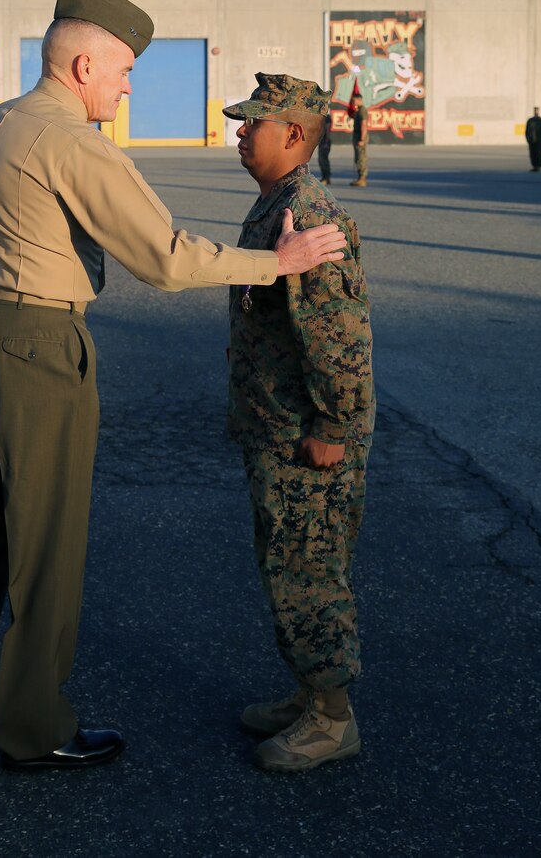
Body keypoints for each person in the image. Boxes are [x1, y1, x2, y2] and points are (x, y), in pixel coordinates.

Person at [0, 0, 349, 773]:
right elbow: (165, 258)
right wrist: (281, 260)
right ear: (84, 64)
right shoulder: (74, 142)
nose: (129, 86)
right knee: (47, 542)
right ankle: (34, 729)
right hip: (36, 339)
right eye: (125, 70)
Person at [224, 73, 374, 772]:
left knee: (310, 569)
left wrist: (333, 428)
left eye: (253, 122)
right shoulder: (275, 203)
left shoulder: (309, 214)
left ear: (292, 134)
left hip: (305, 434)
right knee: (285, 563)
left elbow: (339, 341)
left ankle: (331, 718)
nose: (239, 131)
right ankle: (309, 689)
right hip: (275, 424)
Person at [350, 96, 368, 187]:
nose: (353, 102)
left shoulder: (362, 111)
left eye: (354, 100)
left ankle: (362, 178)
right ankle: (360, 177)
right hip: (357, 135)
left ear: (359, 100)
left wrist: (362, 139)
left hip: (360, 136)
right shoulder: (358, 110)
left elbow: (364, 125)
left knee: (361, 157)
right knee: (358, 157)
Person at [524, 107, 541, 172]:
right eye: (535, 111)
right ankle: (534, 166)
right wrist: (528, 139)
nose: (536, 112)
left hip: (539, 140)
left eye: (537, 111)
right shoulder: (530, 120)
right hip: (531, 140)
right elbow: (526, 131)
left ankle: (538, 166)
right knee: (532, 154)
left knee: (538, 154)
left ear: (538, 111)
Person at [317, 111, 332, 184]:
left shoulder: (327, 118)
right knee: (321, 160)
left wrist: (326, 141)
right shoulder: (322, 117)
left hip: (325, 141)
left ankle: (326, 178)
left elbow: (328, 130)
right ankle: (324, 177)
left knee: (324, 160)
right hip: (322, 141)